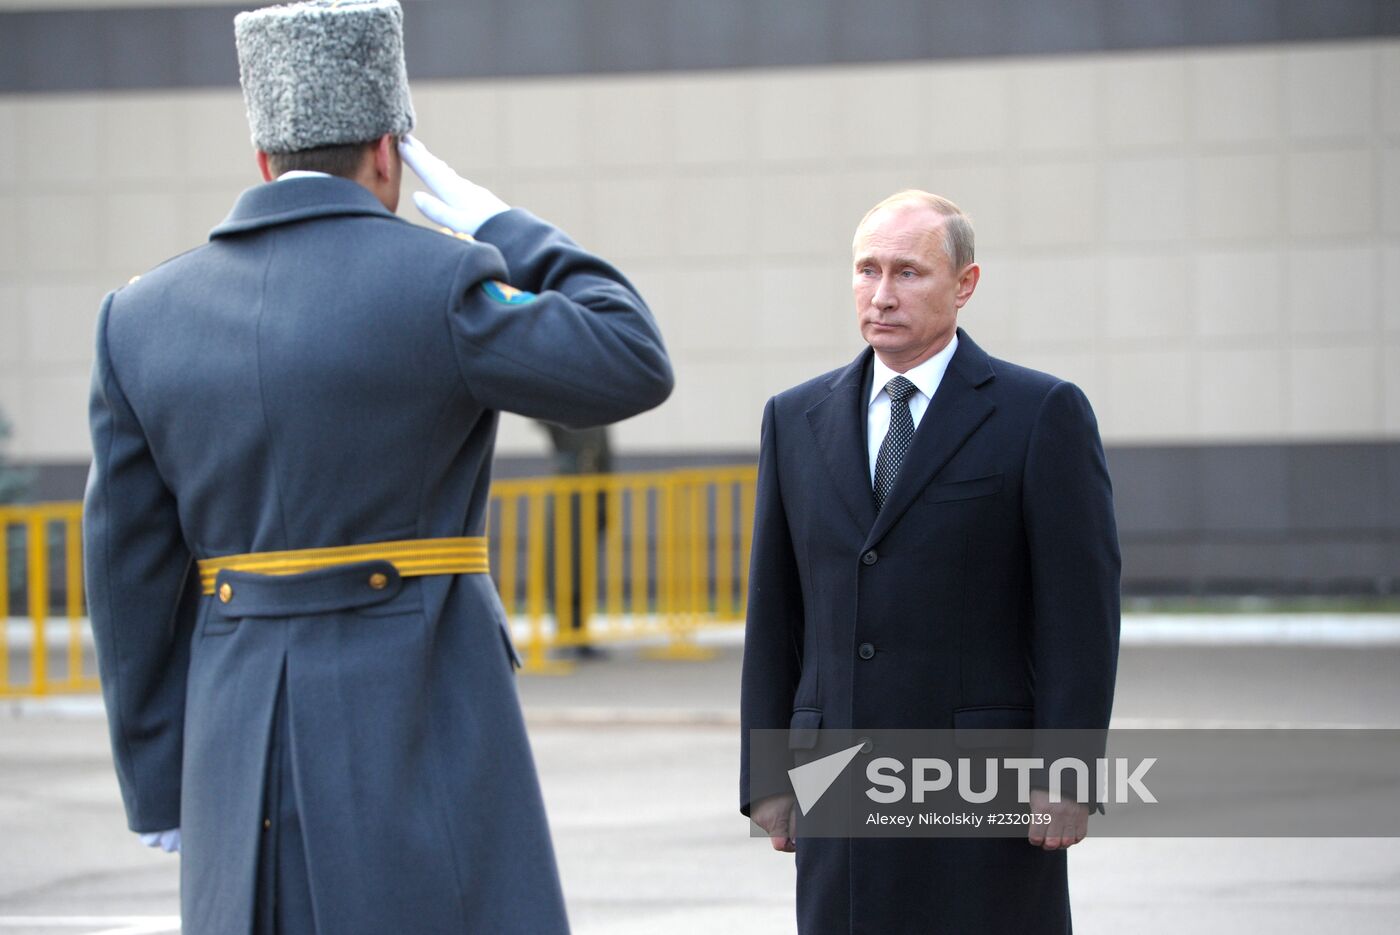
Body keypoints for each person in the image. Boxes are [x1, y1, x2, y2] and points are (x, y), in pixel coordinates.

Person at [82, 2, 672, 932]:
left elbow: (128, 580)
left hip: (238, 742)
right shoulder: (441, 285)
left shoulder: (138, 316)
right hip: (423, 707)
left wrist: (159, 779)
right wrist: (503, 223)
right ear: (390, 155)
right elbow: (630, 358)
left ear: (264, 159)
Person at [739, 190, 1120, 934]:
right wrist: (768, 775)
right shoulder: (794, 419)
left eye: (908, 273)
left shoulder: (1039, 413)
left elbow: (1080, 615)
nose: (882, 295)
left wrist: (1067, 772)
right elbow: (775, 609)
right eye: (867, 270)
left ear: (965, 284)